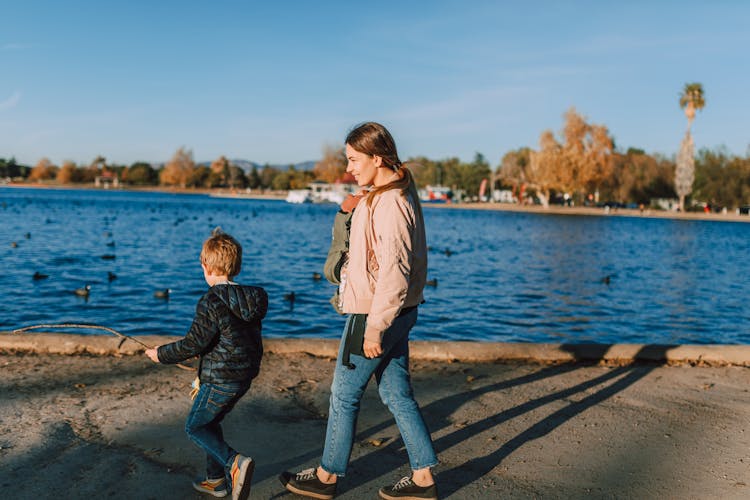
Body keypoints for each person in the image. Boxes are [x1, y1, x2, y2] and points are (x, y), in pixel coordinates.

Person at [280, 122, 438, 500]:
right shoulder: (385, 194)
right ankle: (423, 479)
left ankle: (327, 476)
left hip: (374, 314)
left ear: (377, 158)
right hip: (393, 312)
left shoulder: (391, 204)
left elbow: (394, 272)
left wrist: (373, 328)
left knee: (344, 394)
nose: (349, 168)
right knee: (397, 394)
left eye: (354, 159)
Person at [145, 230, 268, 500]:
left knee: (196, 426)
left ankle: (235, 463)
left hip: (220, 378)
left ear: (206, 266)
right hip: (244, 375)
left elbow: (194, 344)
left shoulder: (210, 300)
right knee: (210, 422)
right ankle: (216, 480)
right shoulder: (255, 297)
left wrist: (160, 354)